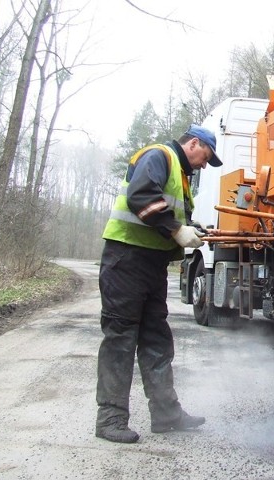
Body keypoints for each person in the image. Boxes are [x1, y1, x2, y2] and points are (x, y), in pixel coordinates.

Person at [95, 125, 222, 444]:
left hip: (151, 264)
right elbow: (142, 197)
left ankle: (166, 414)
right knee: (121, 336)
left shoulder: (179, 174)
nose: (204, 165)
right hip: (126, 258)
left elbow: (169, 214)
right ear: (194, 143)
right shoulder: (159, 155)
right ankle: (110, 418)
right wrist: (176, 230)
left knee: (156, 338)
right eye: (205, 157)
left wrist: (191, 228)